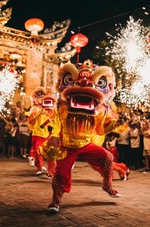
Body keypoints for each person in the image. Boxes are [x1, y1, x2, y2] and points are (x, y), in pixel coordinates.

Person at [46, 60, 121, 214]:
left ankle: (107, 185)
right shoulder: (62, 108)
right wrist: (54, 136)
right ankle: (55, 201)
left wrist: (115, 123)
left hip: (86, 144)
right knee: (60, 175)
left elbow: (102, 128)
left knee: (108, 158)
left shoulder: (99, 110)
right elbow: (56, 123)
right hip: (67, 145)